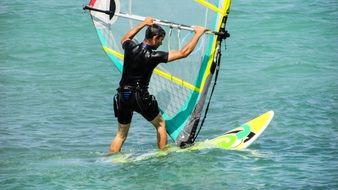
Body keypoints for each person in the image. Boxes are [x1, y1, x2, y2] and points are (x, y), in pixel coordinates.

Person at [109, 17, 207, 154]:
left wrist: (143, 24)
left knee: (121, 134)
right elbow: (184, 53)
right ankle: (162, 155)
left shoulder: (130, 47)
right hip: (139, 96)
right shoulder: (153, 55)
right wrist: (198, 33)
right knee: (160, 125)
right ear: (155, 38)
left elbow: (125, 38)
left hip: (122, 95)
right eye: (161, 40)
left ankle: (111, 158)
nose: (161, 43)